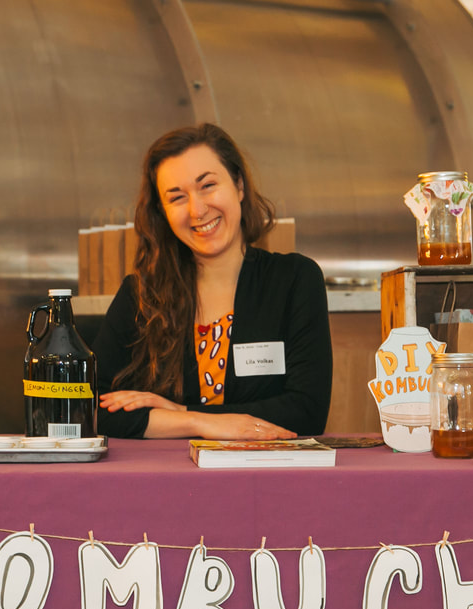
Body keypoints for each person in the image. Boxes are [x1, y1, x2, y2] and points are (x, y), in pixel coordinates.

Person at [92, 123, 332, 439]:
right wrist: (198, 423)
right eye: (177, 197)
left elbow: (306, 413)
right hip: (166, 484)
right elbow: (87, 409)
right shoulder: (141, 295)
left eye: (207, 185)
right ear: (162, 213)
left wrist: (178, 412)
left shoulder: (294, 280)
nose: (197, 209)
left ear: (239, 186)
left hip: (265, 481)